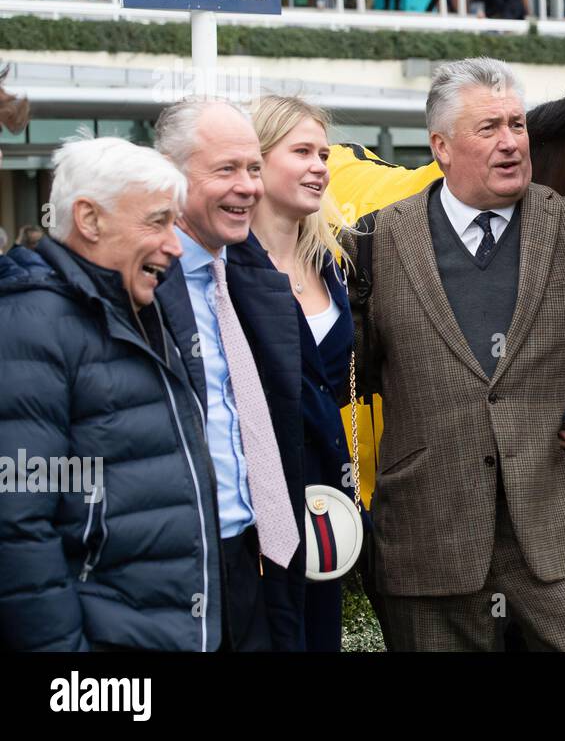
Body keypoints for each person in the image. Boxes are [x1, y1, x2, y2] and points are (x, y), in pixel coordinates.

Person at [341, 58, 565, 650]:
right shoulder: (375, 240)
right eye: (488, 129)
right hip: (426, 536)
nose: (512, 142)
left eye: (517, 124)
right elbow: (343, 367)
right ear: (440, 146)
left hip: (558, 530)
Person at [0, 137, 224, 650]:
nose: (174, 244)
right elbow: (16, 527)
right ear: (89, 219)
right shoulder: (30, 327)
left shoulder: (136, 307)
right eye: (157, 221)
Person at [153, 97, 307, 651]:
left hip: (256, 562)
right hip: (172, 571)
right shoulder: (131, 288)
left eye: (254, 168)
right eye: (226, 170)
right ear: (169, 176)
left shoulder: (251, 276)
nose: (249, 187)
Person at [247, 96, 357, 652]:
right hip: (257, 513)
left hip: (326, 506)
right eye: (301, 152)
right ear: (257, 160)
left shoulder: (331, 264)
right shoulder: (226, 267)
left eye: (323, 153)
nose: (320, 166)